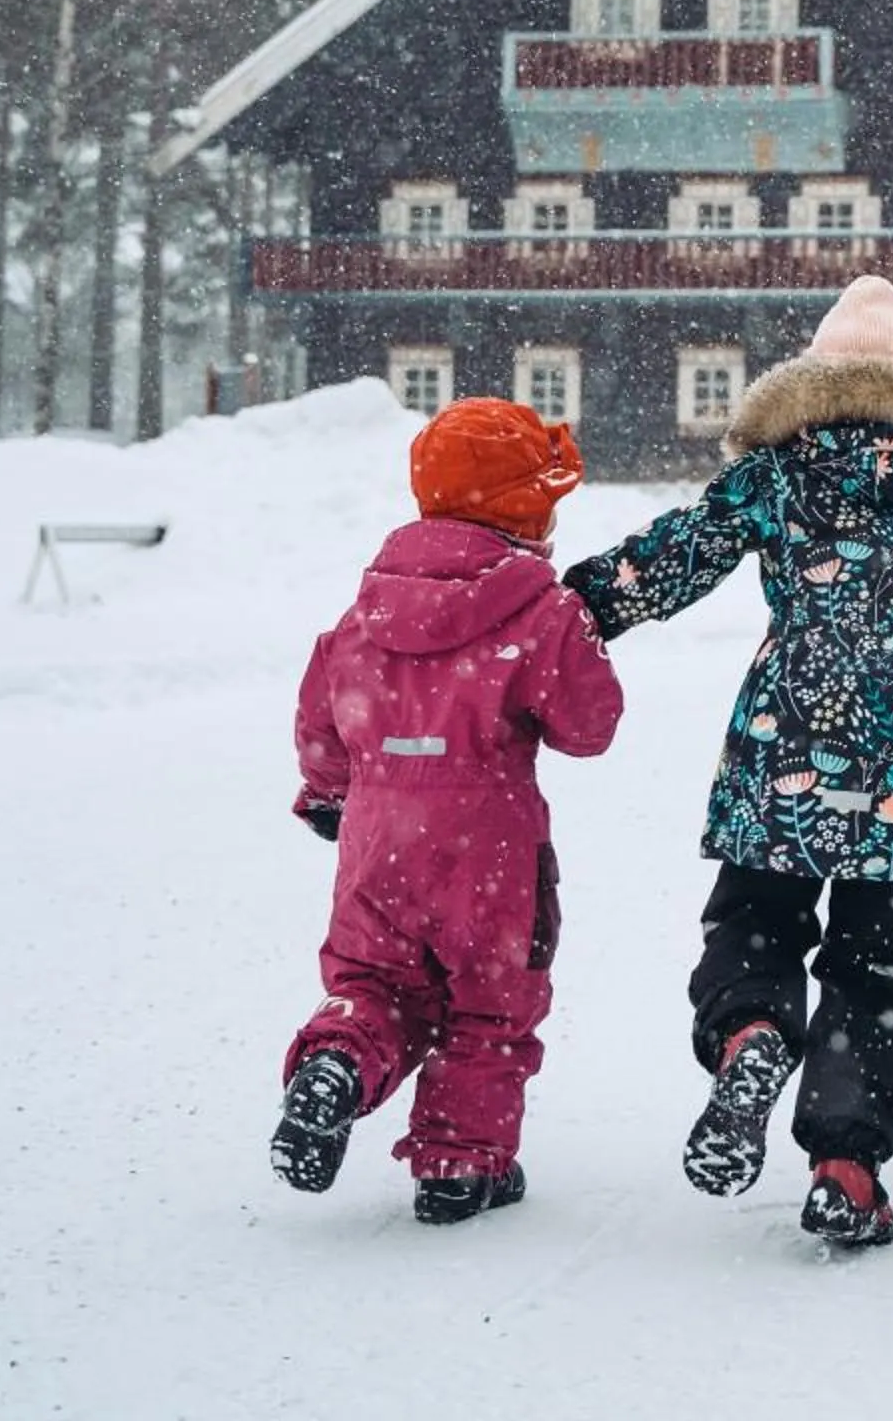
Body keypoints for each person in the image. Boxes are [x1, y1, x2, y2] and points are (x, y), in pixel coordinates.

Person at [562, 276, 893, 1249]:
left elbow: (685, 551)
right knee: (874, 965)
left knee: (755, 914)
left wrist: (588, 599)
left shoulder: (778, 466)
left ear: (817, 373)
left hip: (786, 738)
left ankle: (752, 1031)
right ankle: (848, 1163)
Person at [270, 397, 624, 1224]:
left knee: (375, 985)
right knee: (490, 1006)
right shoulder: (540, 612)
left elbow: (322, 717)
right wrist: (580, 636)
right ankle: (460, 1165)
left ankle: (338, 1063)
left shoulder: (366, 613)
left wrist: (328, 795)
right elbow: (588, 727)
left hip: (376, 849)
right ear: (528, 509)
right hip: (490, 855)